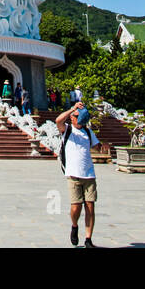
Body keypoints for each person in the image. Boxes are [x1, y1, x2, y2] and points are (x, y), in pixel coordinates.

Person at [56, 102, 100, 247]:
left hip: (89, 174)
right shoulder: (67, 130)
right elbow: (58, 120)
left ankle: (88, 239)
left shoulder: (88, 132)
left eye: (74, 116)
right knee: (76, 207)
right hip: (73, 174)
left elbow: (97, 146)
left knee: (90, 207)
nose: (72, 118)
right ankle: (74, 225)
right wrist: (72, 109)